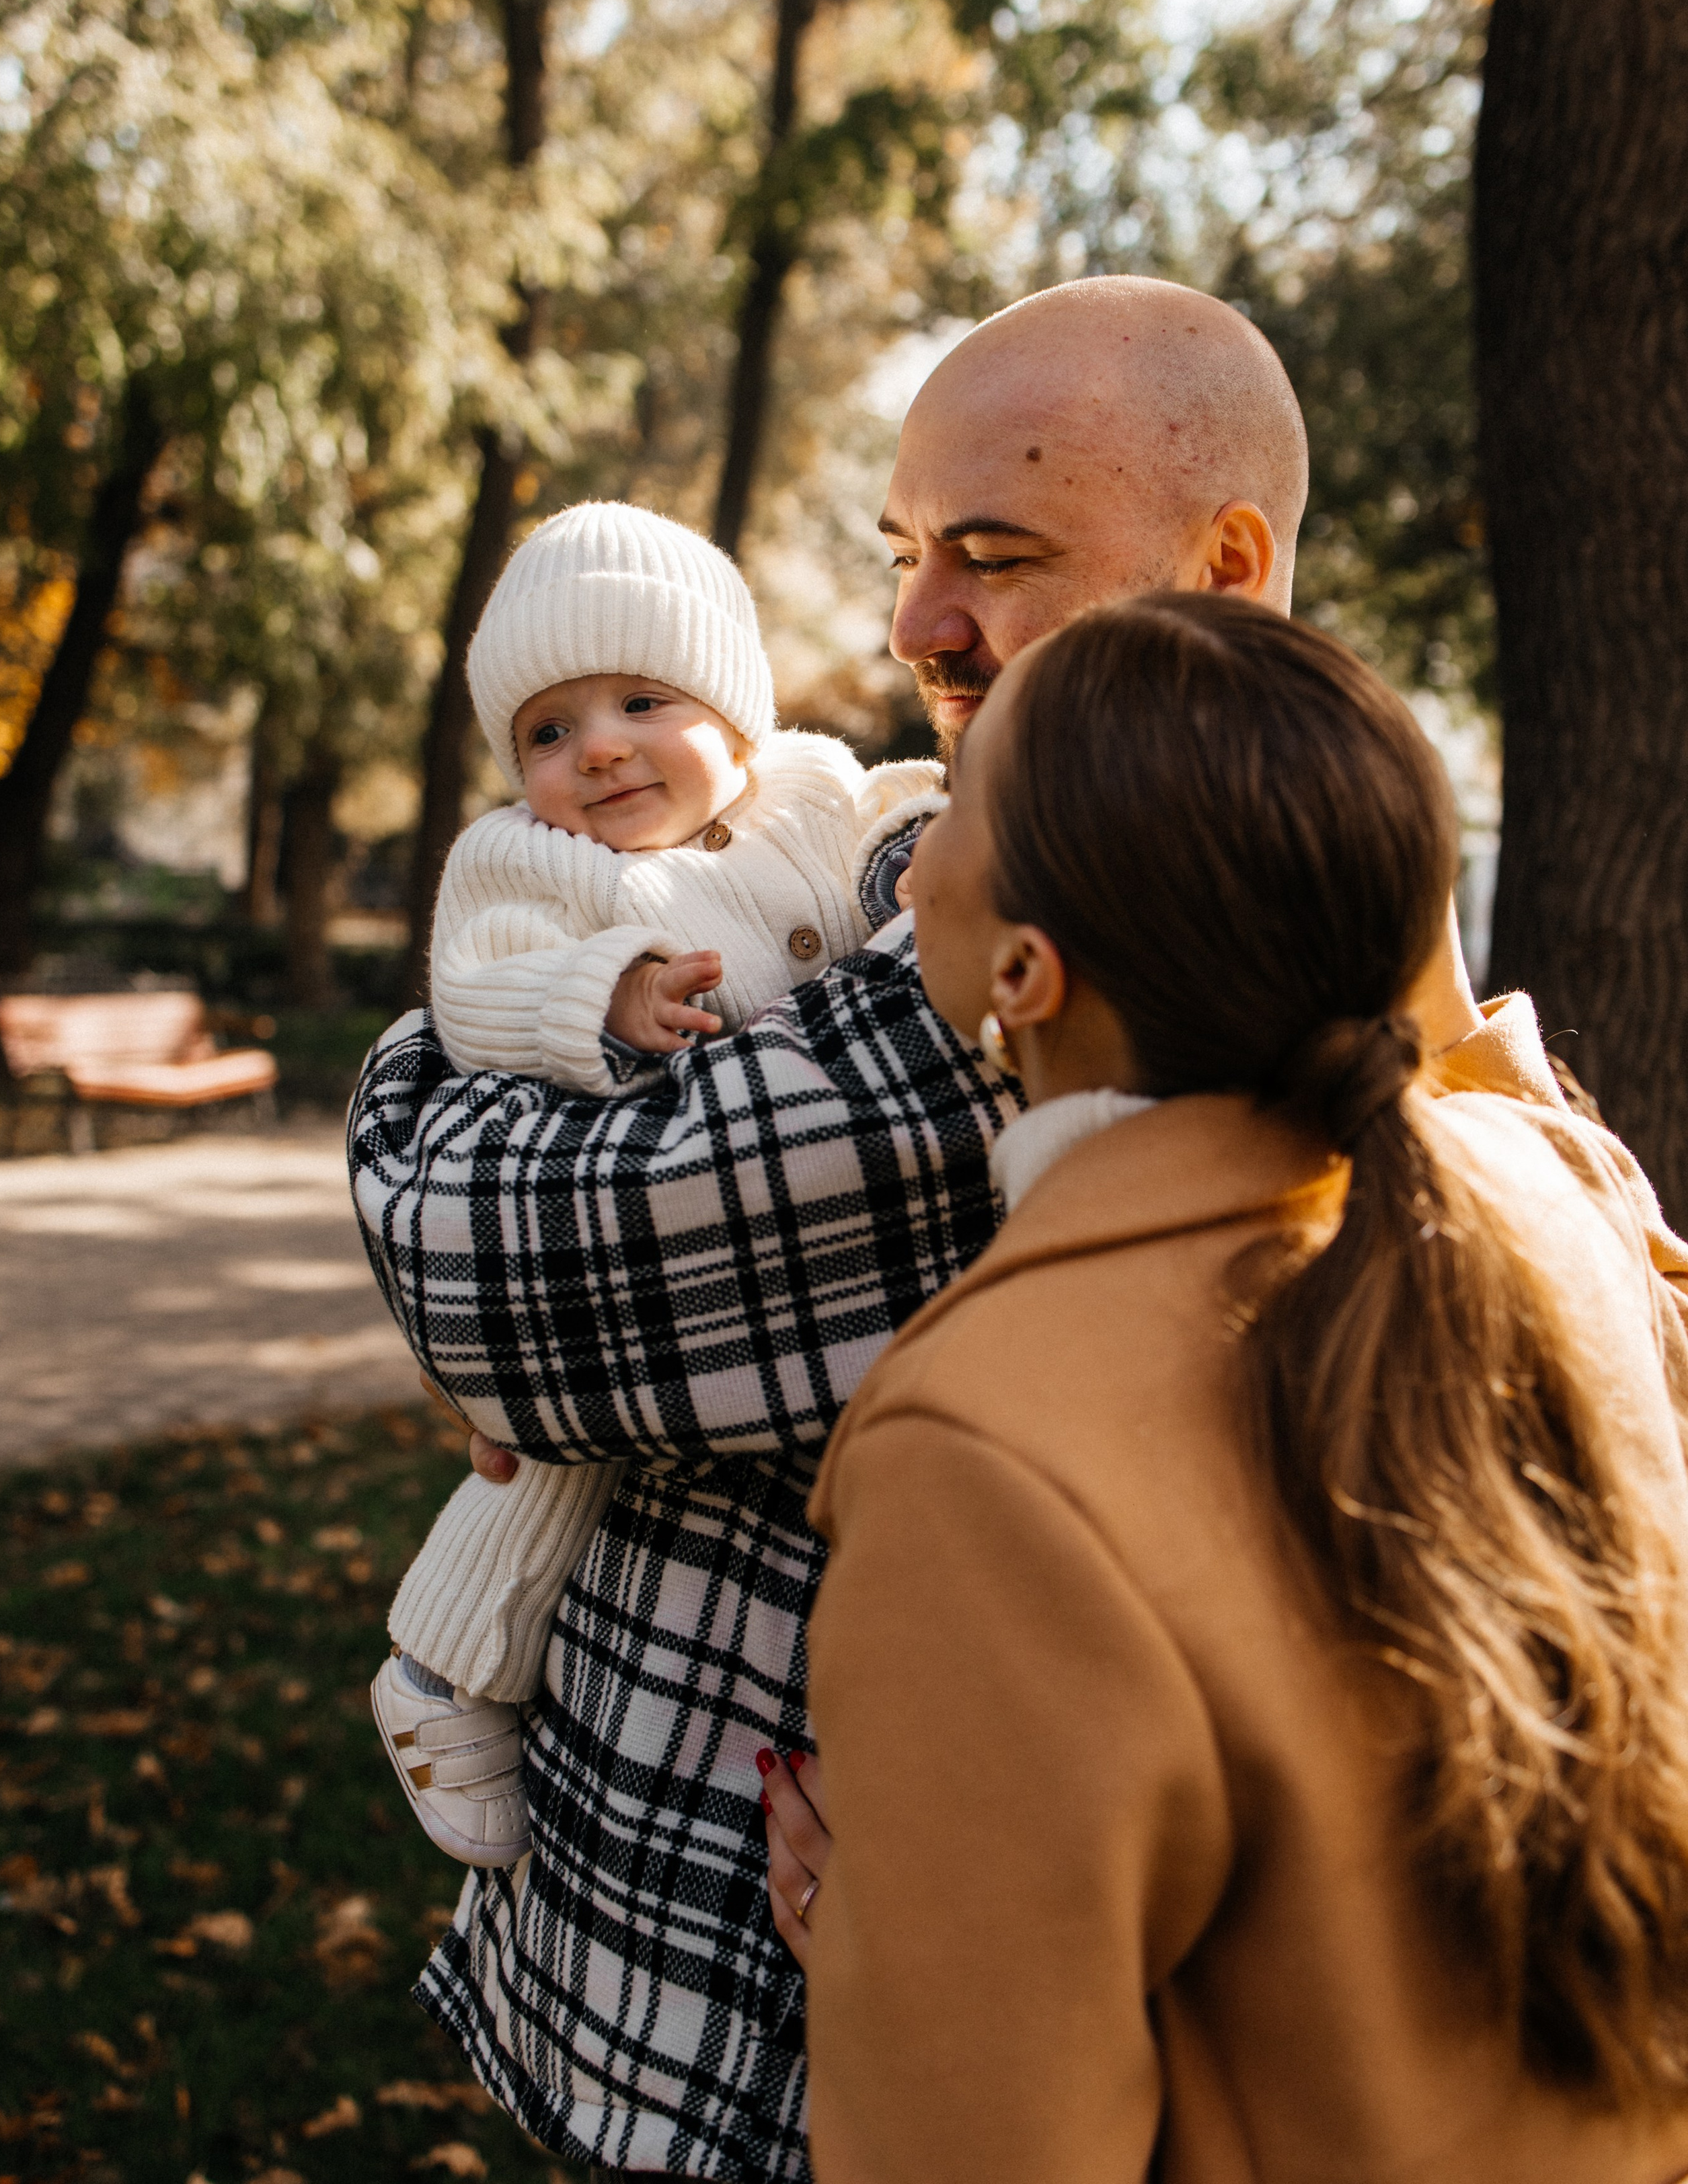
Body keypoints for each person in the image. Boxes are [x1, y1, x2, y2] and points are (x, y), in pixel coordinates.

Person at [347, 276, 1468, 2178]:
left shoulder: (1083, 962)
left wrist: (426, 1078)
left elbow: (481, 1272)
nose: (913, 621)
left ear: (1225, 562)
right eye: (902, 553)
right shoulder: (1045, 854)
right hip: (675, 1959)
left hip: (778, 2060)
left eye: (994, 554)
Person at [801, 594, 1688, 2184]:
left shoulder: (980, 1448)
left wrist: (921, 1976)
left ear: (1023, 969)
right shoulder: (1553, 1200)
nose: (912, 850)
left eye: (957, 801)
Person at [369, 500, 938, 1869]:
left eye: (640, 700)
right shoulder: (527, 863)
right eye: (548, 731)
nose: (599, 748)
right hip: (626, 1173)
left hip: (791, 1228)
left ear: (736, 717)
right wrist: (601, 992)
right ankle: (445, 1662)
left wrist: (912, 858)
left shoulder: (808, 786)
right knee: (560, 1454)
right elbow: (472, 992)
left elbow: (901, 807)